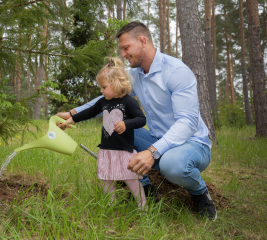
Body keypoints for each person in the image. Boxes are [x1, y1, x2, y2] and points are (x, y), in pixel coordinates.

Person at [57, 21, 217, 221]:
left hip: (192, 143)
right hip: (156, 139)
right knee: (113, 130)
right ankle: (145, 188)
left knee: (172, 165)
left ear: (142, 41)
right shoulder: (135, 75)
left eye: (126, 48)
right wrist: (72, 113)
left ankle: (199, 192)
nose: (122, 54)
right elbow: (107, 98)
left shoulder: (176, 72)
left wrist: (152, 152)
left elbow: (188, 122)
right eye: (121, 50)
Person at [62, 57, 147, 209]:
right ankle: (110, 206)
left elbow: (141, 119)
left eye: (103, 87)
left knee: (131, 180)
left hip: (124, 151)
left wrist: (125, 124)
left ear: (116, 84)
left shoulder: (129, 101)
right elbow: (89, 112)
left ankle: (143, 208)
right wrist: (71, 119)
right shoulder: (103, 101)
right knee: (106, 179)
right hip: (106, 150)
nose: (101, 91)